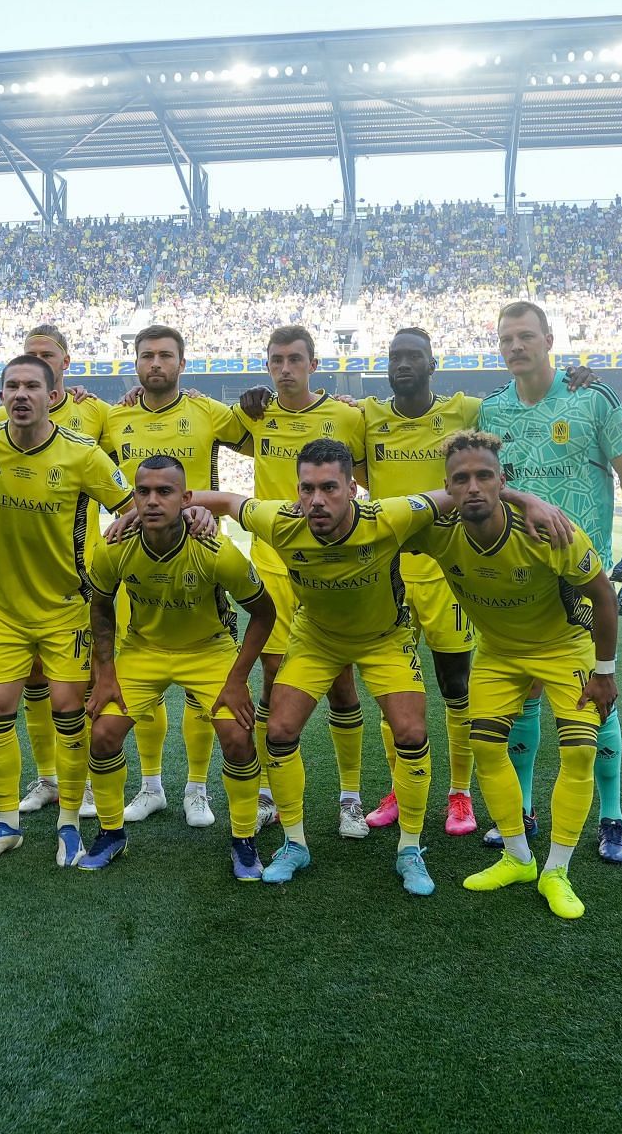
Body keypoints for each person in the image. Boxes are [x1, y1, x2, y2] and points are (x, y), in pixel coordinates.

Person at [182, 438, 571, 894]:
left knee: (412, 733)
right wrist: (188, 509)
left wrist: (529, 499)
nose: (317, 500)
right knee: (279, 731)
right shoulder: (281, 521)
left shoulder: (390, 515)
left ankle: (409, 849)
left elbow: (467, 491)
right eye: (307, 489)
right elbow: (226, 499)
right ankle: (294, 844)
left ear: (352, 488)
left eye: (329, 487)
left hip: (385, 639)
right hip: (316, 639)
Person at [0, 353, 135, 867]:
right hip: (4, 608)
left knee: (69, 712)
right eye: (11, 387)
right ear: (1, 396)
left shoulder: (82, 454)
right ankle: (8, 824)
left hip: (68, 608)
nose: (21, 395)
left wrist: (115, 546)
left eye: (31, 386)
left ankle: (69, 822)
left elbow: (132, 506)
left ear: (53, 396)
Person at [408, 431, 618, 919]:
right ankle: (519, 858)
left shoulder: (547, 531)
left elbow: (604, 599)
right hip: (499, 653)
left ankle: (557, 872)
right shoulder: (438, 533)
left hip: (563, 647)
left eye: (485, 476)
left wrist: (604, 672)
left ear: (503, 482)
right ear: (447, 487)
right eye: (461, 480)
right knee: (484, 745)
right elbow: (386, 520)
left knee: (580, 751)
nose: (474, 487)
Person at [483, 300, 622, 864]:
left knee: (594, 695)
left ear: (549, 339)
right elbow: (484, 483)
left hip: (583, 578)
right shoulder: (491, 412)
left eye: (526, 336)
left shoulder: (591, 398)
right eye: (506, 338)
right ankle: (524, 810)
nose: (515, 347)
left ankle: (612, 817)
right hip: (518, 582)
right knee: (524, 693)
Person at [83, 455, 276, 875]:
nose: (153, 501)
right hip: (143, 649)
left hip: (208, 650)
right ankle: (111, 834)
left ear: (186, 498)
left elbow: (264, 613)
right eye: (144, 492)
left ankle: (244, 840)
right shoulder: (114, 545)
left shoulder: (214, 550)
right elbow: (100, 606)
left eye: (165, 492)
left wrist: (239, 679)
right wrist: (106, 674)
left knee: (239, 737)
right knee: (102, 733)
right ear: (132, 498)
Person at [219, 326, 373, 838]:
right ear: (267, 366)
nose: (284, 369)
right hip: (275, 566)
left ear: (313, 363)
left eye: (294, 359)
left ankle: (350, 797)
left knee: (341, 682)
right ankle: (268, 793)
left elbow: (372, 477)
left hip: (334, 567)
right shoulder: (255, 415)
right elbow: (186, 421)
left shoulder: (349, 416)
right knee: (274, 680)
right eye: (276, 360)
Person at [95, 324, 248, 827]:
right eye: (146, 356)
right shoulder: (113, 418)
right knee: (146, 670)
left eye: (165, 355)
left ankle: (197, 788)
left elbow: (264, 431)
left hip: (201, 557)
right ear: (135, 365)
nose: (155, 363)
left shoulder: (208, 411)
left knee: (198, 673)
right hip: (135, 559)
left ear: (182, 363)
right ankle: (151, 785)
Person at [354, 328, 483, 837]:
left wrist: (574, 379)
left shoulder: (465, 411)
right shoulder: (367, 418)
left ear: (433, 364)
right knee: (395, 693)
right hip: (389, 577)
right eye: (394, 357)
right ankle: (397, 788)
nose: (403, 364)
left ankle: (459, 795)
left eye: (413, 357)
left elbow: (519, 400)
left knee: (457, 687)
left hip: (449, 574)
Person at [0, 324, 112, 822]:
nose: (36, 366)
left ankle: (83, 782)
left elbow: (123, 473)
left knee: (80, 689)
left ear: (64, 365)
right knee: (33, 685)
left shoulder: (95, 413)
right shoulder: (0, 422)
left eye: (46, 357)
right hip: (16, 590)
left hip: (79, 577)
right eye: (29, 358)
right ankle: (47, 778)